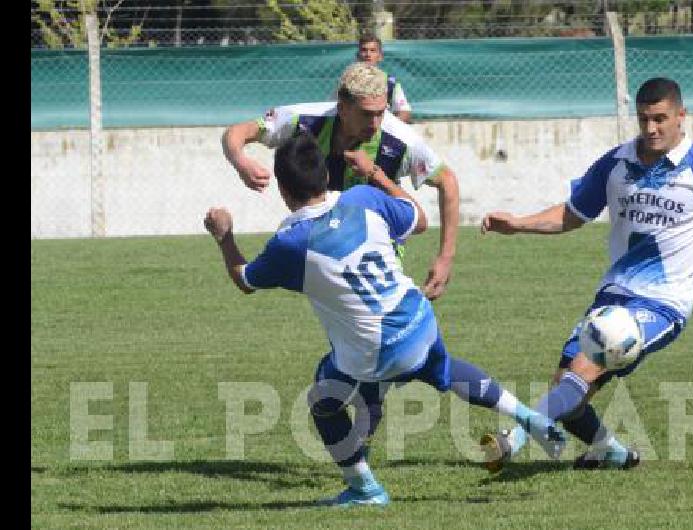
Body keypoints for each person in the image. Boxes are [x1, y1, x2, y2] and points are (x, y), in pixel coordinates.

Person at [204, 133, 566, 507]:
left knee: (323, 401)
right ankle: (526, 415)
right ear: (327, 176)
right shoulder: (362, 199)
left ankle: (365, 489)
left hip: (376, 350)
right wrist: (377, 175)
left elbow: (245, 280)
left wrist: (224, 235)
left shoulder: (290, 244)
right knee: (441, 369)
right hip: (418, 317)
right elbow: (418, 218)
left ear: (282, 188)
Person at [479, 77, 693, 472]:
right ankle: (613, 453)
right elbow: (573, 214)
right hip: (612, 295)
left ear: (682, 116)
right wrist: (519, 224)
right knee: (567, 387)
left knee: (582, 370)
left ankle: (513, 440)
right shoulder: (616, 163)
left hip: (664, 302)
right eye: (644, 119)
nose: (651, 129)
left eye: (661, 119)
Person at [221, 62, 457, 301]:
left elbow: (447, 181)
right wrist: (241, 161)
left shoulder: (401, 140)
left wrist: (445, 258)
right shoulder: (304, 120)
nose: (376, 123)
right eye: (366, 114)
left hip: (376, 254)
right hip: (326, 249)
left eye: (381, 112)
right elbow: (237, 132)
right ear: (342, 108)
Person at [355, 31, 412, 123]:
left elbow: (404, 111)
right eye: (364, 50)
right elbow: (333, 108)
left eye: (373, 50)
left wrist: (389, 128)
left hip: (379, 136)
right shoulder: (346, 81)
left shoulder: (390, 82)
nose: (368, 54)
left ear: (380, 56)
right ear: (358, 55)